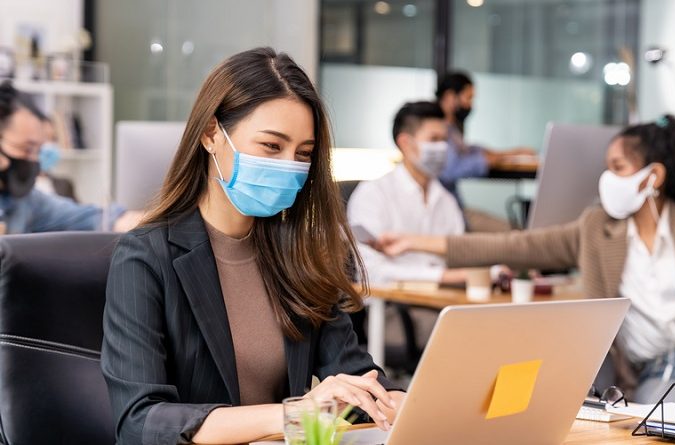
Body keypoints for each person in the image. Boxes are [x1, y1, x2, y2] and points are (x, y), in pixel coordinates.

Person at [101, 47, 405, 445]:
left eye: (304, 154)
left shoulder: (299, 253)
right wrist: (292, 415)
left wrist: (396, 400)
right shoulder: (146, 255)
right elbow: (141, 421)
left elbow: (353, 377)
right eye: (271, 147)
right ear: (212, 134)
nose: (289, 165)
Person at [374, 115, 675, 404]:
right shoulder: (596, 229)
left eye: (617, 168)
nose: (607, 179)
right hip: (658, 373)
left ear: (653, 177)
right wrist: (418, 241)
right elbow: (516, 247)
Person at [347, 101, 470, 285]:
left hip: (448, 298)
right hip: (396, 306)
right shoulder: (373, 194)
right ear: (405, 143)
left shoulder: (447, 200)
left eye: (444, 140)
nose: (442, 148)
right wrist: (442, 277)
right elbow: (371, 273)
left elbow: (460, 259)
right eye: (434, 139)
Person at [0, 81, 138, 233]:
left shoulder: (28, 202)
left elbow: (93, 218)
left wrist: (159, 219)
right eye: (27, 149)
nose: (34, 160)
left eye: (37, 150)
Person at [435, 71, 535, 200]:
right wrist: (489, 160)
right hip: (447, 212)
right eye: (468, 98)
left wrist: (508, 154)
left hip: (453, 207)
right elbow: (453, 169)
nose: (471, 105)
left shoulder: (453, 129)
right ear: (450, 96)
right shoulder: (438, 129)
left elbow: (467, 151)